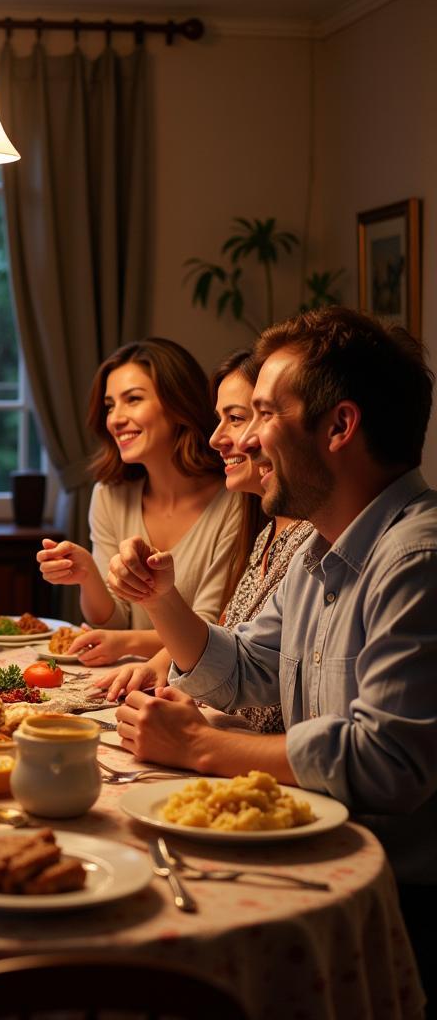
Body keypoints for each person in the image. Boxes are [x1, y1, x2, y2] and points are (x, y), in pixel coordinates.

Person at [108, 308, 436, 1008]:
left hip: (386, 904)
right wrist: (164, 600)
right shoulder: (321, 548)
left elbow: (389, 764)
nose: (246, 439)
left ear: (338, 427)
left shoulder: (417, 561)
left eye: (262, 413)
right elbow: (249, 669)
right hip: (310, 857)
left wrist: (202, 748)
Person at [99, 350, 314, 727]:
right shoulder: (269, 530)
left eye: (238, 418)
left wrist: (200, 744)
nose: (218, 439)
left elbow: (338, 741)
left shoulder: (315, 538)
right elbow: (241, 661)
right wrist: (162, 650)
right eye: (222, 420)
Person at [37, 338, 241, 666]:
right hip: (128, 678)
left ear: (179, 404)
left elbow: (211, 630)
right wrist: (87, 574)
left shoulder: (234, 501)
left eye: (132, 399)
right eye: (109, 405)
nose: (115, 418)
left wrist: (124, 643)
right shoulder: (109, 494)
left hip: (200, 687)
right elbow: (114, 621)